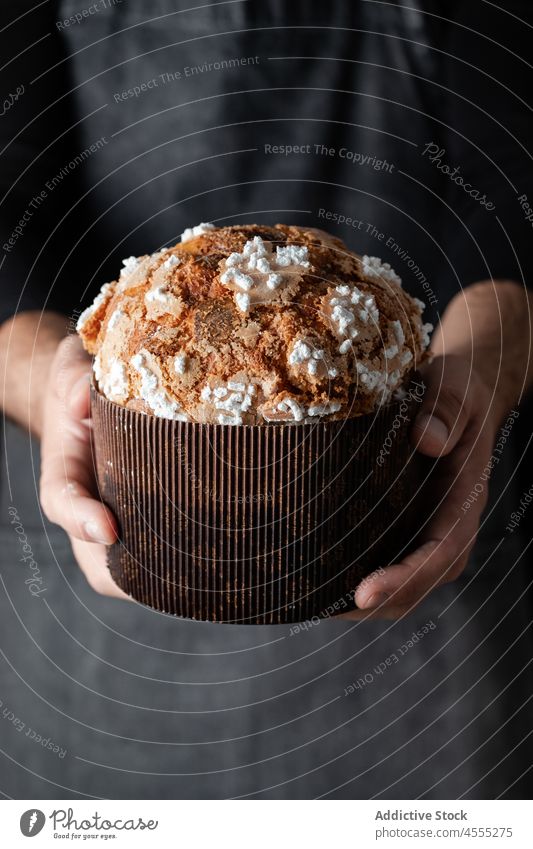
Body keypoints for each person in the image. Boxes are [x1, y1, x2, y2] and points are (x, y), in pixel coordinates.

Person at [1, 1, 532, 798]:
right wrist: (45, 374)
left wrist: (482, 364)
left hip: (418, 567)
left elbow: (512, 187)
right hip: (98, 563)